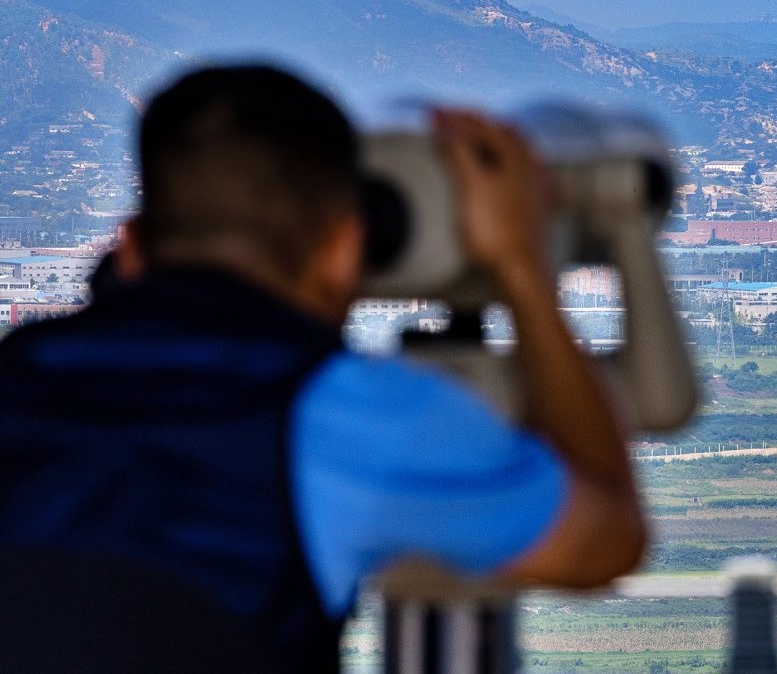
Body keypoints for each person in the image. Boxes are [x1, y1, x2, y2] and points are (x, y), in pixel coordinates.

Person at [0, 66, 646, 672]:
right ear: (343, 249)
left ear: (131, 245)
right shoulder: (348, 410)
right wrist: (522, 269)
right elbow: (604, 540)